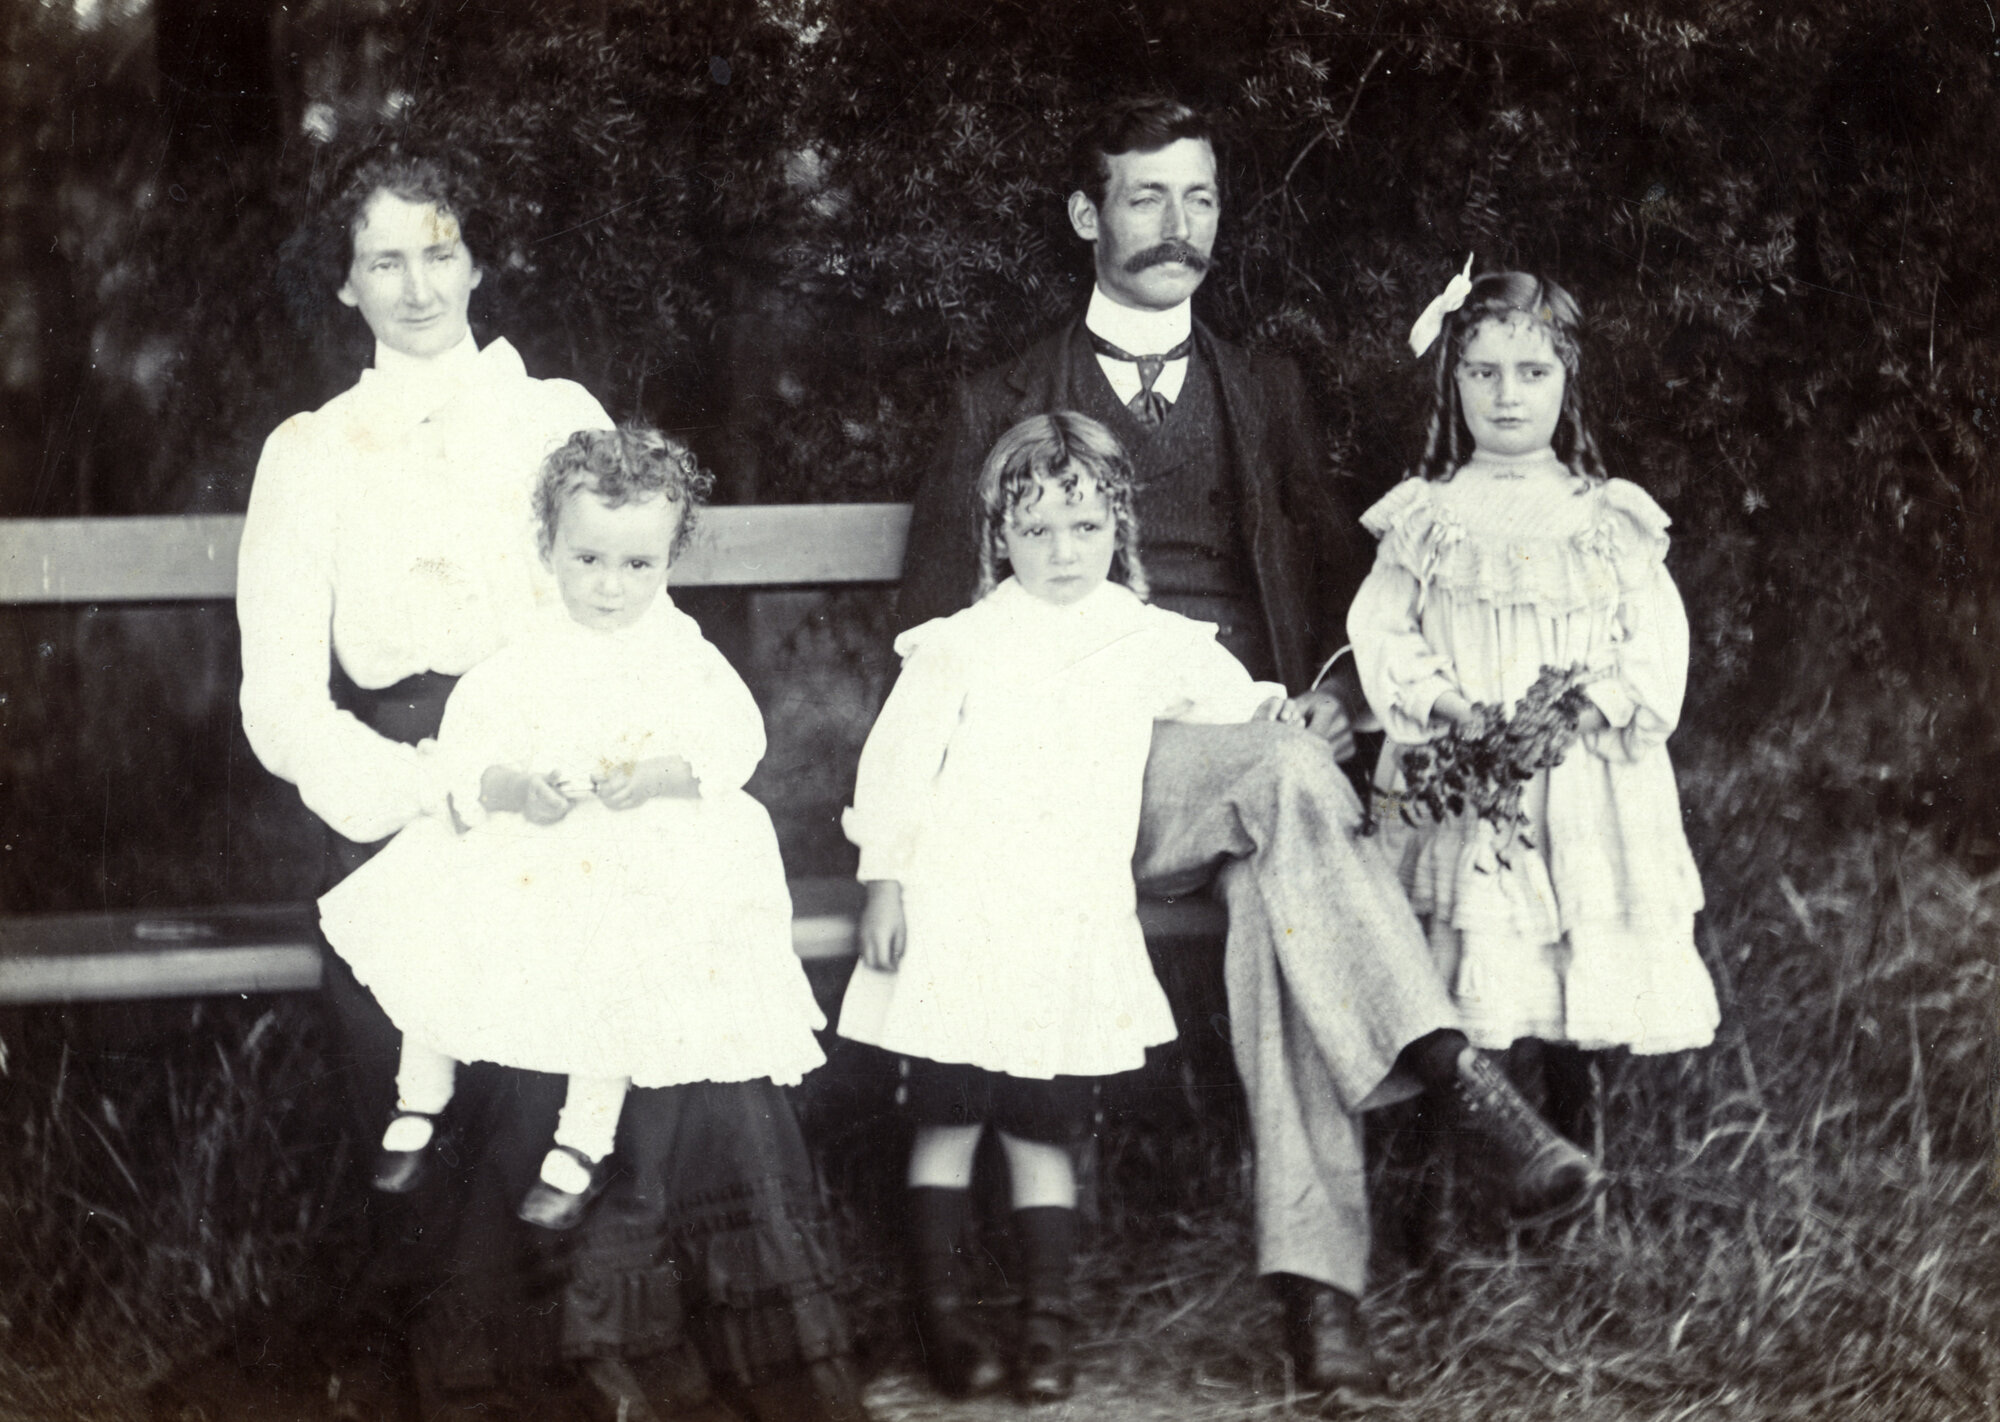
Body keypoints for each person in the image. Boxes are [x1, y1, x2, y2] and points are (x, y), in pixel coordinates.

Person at [894, 98, 1605, 1398]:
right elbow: (929, 628)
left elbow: (1341, 592)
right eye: (1148, 197)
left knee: (1291, 883)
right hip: (1070, 776)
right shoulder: (996, 398)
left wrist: (1340, 694)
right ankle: (1452, 1074)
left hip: (1253, 753)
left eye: (1202, 199)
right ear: (1087, 216)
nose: (1179, 228)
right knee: (1292, 795)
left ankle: (1319, 1300)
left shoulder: (1265, 391)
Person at [239, 147, 864, 1422]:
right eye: (384, 260)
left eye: (441, 250)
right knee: (460, 981)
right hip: (414, 778)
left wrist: (615, 769)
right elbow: (282, 707)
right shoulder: (309, 454)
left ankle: (673, 1358)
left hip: (586, 763)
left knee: (672, 952)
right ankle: (516, 1379)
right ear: (344, 285)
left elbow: (631, 607)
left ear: (479, 260)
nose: (418, 286)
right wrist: (436, 792)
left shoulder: (553, 413)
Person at [841, 413, 1288, 1401]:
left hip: (1067, 917)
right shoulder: (960, 645)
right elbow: (898, 765)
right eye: (1036, 530)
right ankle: (943, 1321)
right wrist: (885, 875)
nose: (1061, 551)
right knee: (948, 1116)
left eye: (1084, 529)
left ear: (1118, 527)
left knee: (1046, 1126)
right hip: (962, 911)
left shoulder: (1143, 639)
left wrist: (1273, 709)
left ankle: (1048, 1323)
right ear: (998, 534)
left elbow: (1229, 699)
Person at [318, 426, 827, 1232]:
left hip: (642, 843)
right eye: (587, 560)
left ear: (668, 562)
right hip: (536, 835)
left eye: (638, 566)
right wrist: (518, 789)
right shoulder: (526, 649)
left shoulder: (680, 652)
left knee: (617, 964)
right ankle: (420, 1098)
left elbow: (737, 742)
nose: (611, 588)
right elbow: (468, 752)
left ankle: (581, 1143)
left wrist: (654, 775)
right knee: (449, 917)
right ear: (549, 548)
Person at [1349, 268, 1719, 1140]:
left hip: (1578, 783)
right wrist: (1451, 710)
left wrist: (1582, 710)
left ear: (1567, 381)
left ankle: (1572, 1171)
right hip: (1464, 777)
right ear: (1454, 380)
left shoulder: (1606, 517)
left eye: (1532, 373)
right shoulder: (1425, 516)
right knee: (1459, 969)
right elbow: (1382, 631)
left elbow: (1652, 642)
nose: (1507, 396)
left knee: (1565, 963)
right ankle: (1439, 1189)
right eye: (1483, 372)